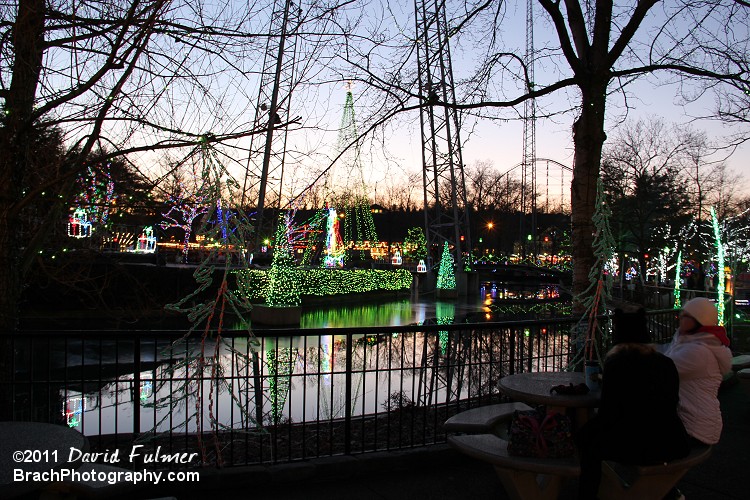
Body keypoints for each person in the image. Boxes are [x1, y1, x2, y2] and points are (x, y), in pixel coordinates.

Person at [576, 308, 691, 500]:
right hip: (671, 441)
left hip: (635, 445)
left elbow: (608, 413)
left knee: (585, 439)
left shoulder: (617, 364)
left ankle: (588, 493)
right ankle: (665, 491)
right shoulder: (665, 363)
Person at [658, 297, 732, 445]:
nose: (680, 318)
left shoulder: (698, 351)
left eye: (686, 316)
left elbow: (661, 370)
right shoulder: (691, 341)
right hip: (694, 420)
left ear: (699, 321)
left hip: (695, 428)